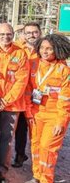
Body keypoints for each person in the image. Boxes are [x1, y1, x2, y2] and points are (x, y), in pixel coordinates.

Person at [0, 23, 29, 182]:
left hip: (12, 104)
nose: (5, 37)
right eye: (2, 34)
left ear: (13, 34)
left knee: (7, 139)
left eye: (9, 34)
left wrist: (5, 100)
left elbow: (21, 82)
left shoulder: (20, 54)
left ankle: (1, 169)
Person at [26, 34, 70, 183]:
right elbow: (27, 89)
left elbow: (66, 101)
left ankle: (46, 179)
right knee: (36, 146)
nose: (45, 51)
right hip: (35, 113)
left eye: (49, 49)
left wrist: (60, 122)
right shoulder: (33, 64)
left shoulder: (63, 70)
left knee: (47, 148)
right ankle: (37, 176)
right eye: (43, 48)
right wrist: (28, 111)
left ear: (57, 50)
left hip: (54, 116)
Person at [13, 22, 42, 168]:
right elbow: (4, 38)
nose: (32, 35)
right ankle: (20, 154)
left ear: (40, 33)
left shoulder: (45, 50)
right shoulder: (18, 48)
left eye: (35, 32)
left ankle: (39, 164)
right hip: (21, 97)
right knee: (20, 128)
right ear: (24, 34)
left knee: (37, 132)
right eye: (28, 32)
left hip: (38, 100)